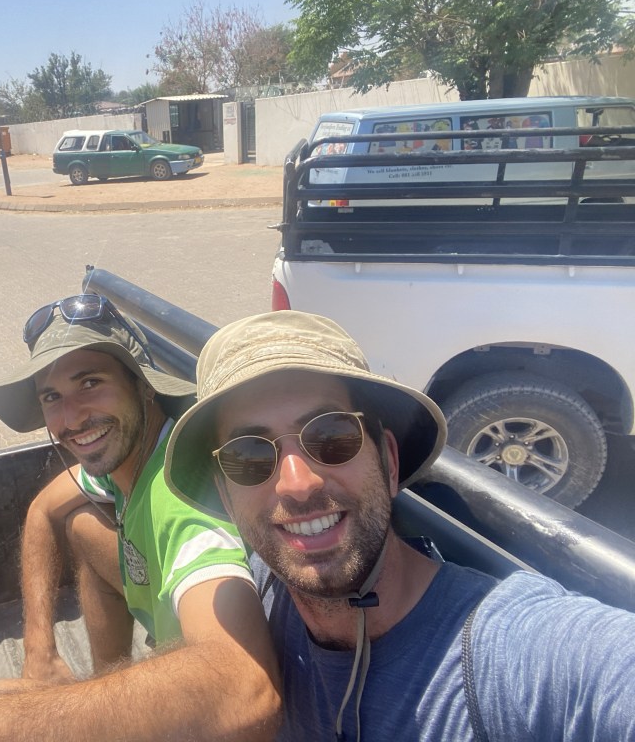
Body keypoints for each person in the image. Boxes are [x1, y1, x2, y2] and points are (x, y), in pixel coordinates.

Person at [0, 294, 281, 742]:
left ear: (144, 383)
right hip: (176, 646)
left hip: (214, 716)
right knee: (81, 526)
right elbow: (44, 509)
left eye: (89, 384)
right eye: (51, 396)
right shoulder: (129, 454)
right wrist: (39, 650)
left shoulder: (180, 497)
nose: (72, 418)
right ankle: (107, 674)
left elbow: (245, 689)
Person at [163, 310, 635, 741]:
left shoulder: (511, 653)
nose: (297, 483)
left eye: (332, 436)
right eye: (248, 457)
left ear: (388, 462)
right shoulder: (256, 599)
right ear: (227, 496)